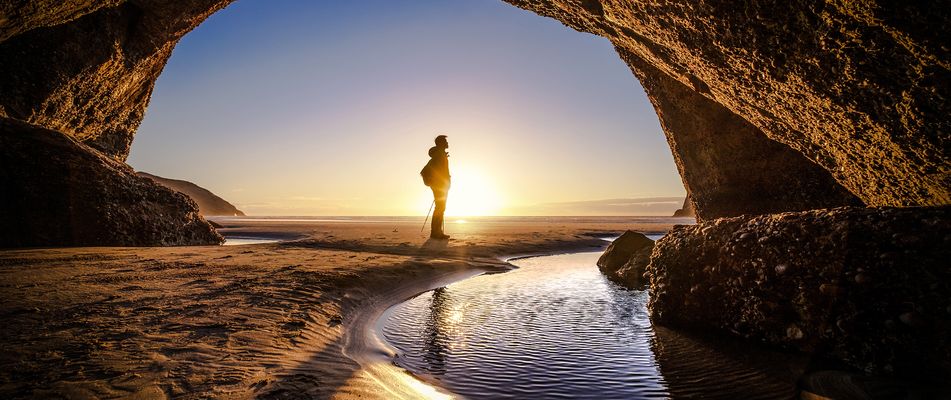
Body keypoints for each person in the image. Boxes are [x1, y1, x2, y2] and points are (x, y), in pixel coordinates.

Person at [426, 135, 451, 240]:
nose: (447, 142)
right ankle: (436, 232)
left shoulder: (441, 155)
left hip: (440, 185)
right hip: (439, 185)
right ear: (441, 143)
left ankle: (436, 232)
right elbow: (435, 170)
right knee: (440, 207)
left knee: (440, 207)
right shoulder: (439, 155)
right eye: (445, 141)